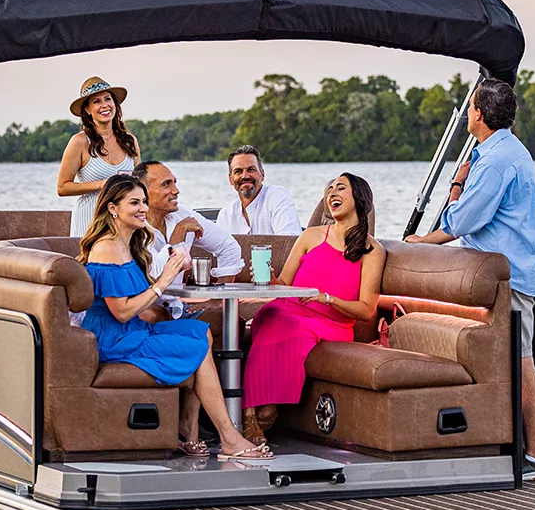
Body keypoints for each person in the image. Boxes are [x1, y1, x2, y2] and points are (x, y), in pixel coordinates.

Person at [405, 78, 535, 481]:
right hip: (498, 272)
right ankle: (501, 443)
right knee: (511, 358)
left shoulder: (495, 161)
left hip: (510, 276)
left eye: (471, 107)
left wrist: (425, 239)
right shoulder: (501, 151)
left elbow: (465, 220)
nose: (468, 113)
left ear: (480, 115)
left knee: (521, 359)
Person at [77, 174, 271, 461]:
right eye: (134, 203)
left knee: (198, 331)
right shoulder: (106, 248)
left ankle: (189, 430)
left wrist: (171, 276)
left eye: (144, 202)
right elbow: (123, 312)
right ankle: (229, 438)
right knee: (196, 346)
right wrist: (164, 281)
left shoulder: (128, 243)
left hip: (131, 330)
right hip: (114, 338)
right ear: (113, 208)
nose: (143, 208)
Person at [242, 173, 385, 443]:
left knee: (291, 327)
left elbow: (367, 310)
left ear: (359, 198)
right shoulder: (310, 236)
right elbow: (284, 284)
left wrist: (326, 299)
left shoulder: (372, 250)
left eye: (340, 188)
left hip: (333, 324)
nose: (332, 194)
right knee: (270, 315)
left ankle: (261, 411)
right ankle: (251, 414)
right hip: (288, 309)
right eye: (330, 189)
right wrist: (269, 279)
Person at [133, 159, 245, 318]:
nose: (176, 190)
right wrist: (179, 232)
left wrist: (218, 298)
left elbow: (228, 247)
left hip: (176, 307)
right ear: (142, 192)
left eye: (175, 183)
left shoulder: (183, 214)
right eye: (166, 184)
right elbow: (157, 275)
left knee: (229, 321)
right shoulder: (132, 225)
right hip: (143, 308)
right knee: (153, 315)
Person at [57, 76, 140, 236]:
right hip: (89, 220)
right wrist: (101, 184)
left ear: (115, 104)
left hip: (123, 222)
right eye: (96, 101)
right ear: (87, 110)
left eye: (108, 99)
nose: (104, 105)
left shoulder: (130, 141)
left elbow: (139, 182)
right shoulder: (79, 142)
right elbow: (62, 187)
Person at [216, 146, 302, 236]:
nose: (245, 176)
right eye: (238, 171)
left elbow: (289, 240)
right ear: (231, 179)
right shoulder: (225, 215)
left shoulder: (277, 197)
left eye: (251, 170)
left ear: (262, 174)